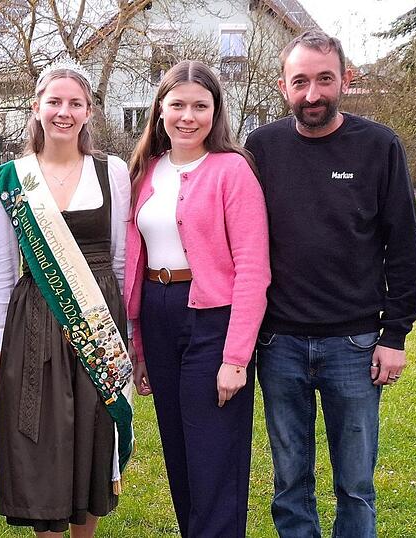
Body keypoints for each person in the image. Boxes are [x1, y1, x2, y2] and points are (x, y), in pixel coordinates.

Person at [245, 30, 416, 537]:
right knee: (290, 483)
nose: (313, 94)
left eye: (325, 79)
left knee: (355, 485)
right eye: (300, 81)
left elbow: (404, 248)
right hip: (278, 344)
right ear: (283, 86)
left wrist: (395, 336)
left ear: (345, 78)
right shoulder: (262, 148)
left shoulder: (378, 146)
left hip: (355, 343)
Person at [0, 61, 134, 537]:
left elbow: (119, 259)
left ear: (89, 111)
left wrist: (123, 334)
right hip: (34, 322)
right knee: (42, 446)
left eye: (74, 103)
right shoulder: (13, 179)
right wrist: (0, 340)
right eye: (54, 101)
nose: (63, 112)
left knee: (93, 438)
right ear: (36, 107)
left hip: (96, 320)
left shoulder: (112, 172)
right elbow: (3, 267)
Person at [122, 60, 270, 537]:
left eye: (200, 106)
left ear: (215, 111)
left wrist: (236, 358)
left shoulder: (232, 170)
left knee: (214, 458)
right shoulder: (144, 171)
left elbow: (253, 269)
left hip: (213, 320)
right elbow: (137, 265)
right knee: (180, 455)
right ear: (160, 110)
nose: (188, 116)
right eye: (178, 104)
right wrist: (140, 348)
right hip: (159, 315)